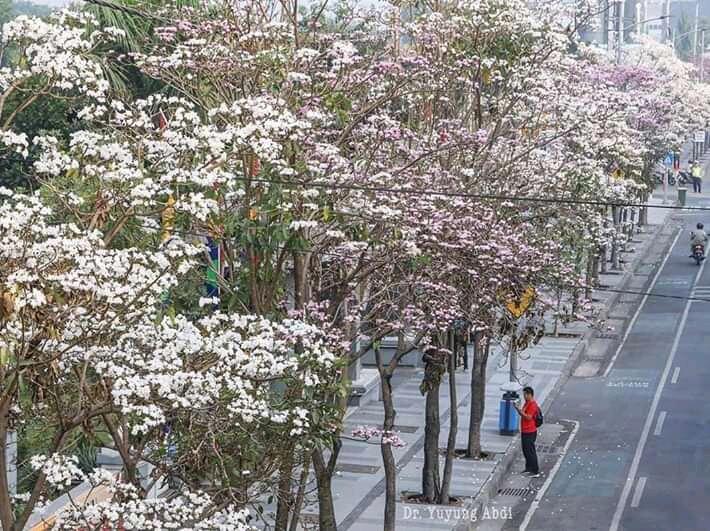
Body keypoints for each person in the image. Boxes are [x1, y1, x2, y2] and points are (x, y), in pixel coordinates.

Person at [513, 386, 540, 477]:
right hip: (525, 431)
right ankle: (528, 467)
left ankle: (535, 470)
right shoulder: (527, 403)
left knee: (530, 451)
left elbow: (528, 417)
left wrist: (518, 409)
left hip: (530, 431)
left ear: (529, 394)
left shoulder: (532, 404)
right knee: (525, 450)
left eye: (525, 394)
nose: (524, 396)